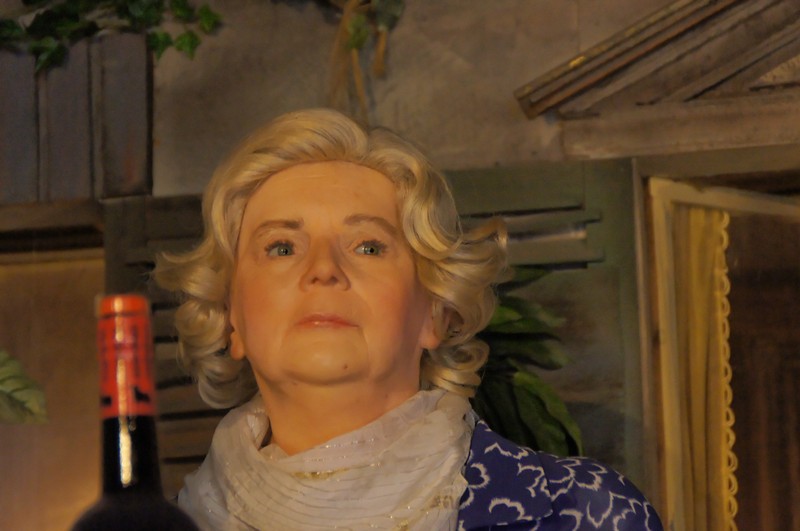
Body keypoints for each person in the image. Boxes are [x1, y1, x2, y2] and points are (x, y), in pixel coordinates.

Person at [155, 108, 663, 530]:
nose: (323, 269)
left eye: (368, 246)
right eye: (282, 247)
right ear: (231, 317)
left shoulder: (583, 514)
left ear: (436, 311)